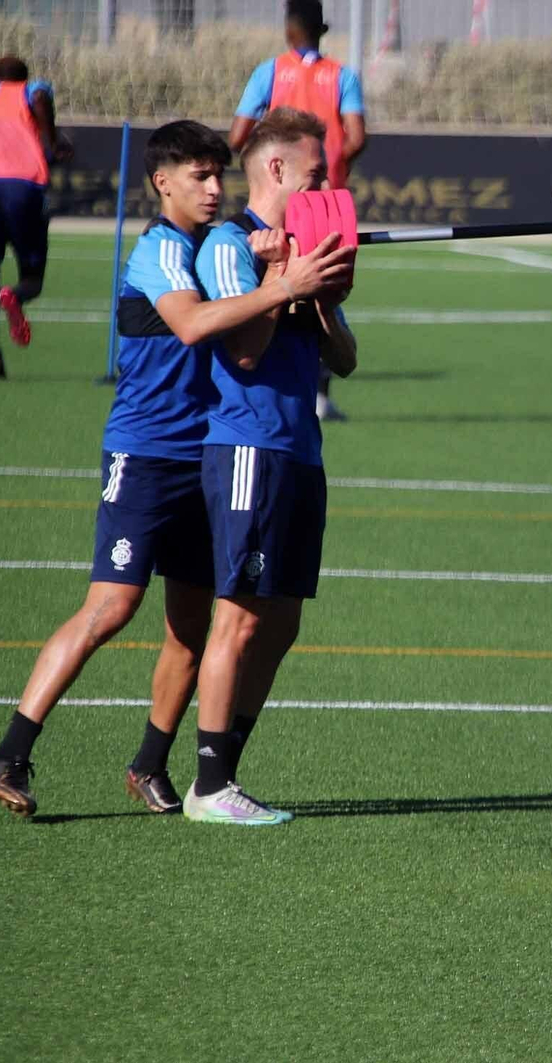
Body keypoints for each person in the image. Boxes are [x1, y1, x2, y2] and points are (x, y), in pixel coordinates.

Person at [0, 121, 351, 818]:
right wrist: (279, 276)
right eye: (199, 177)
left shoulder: (226, 246)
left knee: (191, 627)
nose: (215, 189)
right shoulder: (161, 251)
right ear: (163, 183)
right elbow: (194, 325)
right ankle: (11, 749)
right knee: (112, 605)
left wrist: (279, 268)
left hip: (207, 455)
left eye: (220, 175)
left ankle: (151, 763)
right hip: (148, 451)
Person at [185, 107, 357, 826]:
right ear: (278, 169)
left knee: (281, 620)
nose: (326, 183)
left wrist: (319, 295)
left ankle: (228, 768)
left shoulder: (305, 245)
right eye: (317, 172)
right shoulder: (228, 243)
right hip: (249, 445)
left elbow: (344, 360)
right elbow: (246, 349)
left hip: (299, 451)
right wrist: (284, 275)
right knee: (239, 617)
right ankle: (208, 785)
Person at [230, 0, 366, 423]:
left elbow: (238, 134)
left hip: (280, 198)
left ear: (289, 29)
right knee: (328, 292)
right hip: (328, 204)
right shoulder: (342, 75)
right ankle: (320, 393)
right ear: (322, 29)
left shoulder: (268, 72)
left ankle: (262, 376)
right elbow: (357, 137)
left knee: (270, 279)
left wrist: (265, 159)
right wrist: (333, 170)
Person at [0, 55, 70, 378]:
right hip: (25, 186)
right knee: (33, 277)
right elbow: (40, 98)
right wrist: (53, 142)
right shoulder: (32, 90)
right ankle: (17, 294)